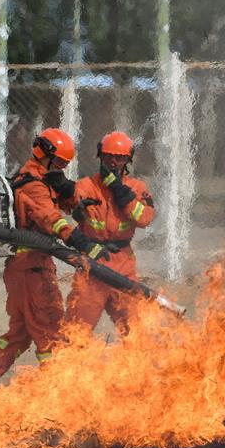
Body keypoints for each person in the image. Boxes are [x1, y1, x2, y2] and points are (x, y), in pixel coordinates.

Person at [0, 128, 110, 385]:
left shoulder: (37, 179)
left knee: (20, 333)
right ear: (44, 155)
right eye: (58, 162)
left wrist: (73, 201)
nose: (61, 168)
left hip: (22, 269)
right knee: (50, 331)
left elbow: (55, 206)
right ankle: (57, 390)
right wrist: (83, 243)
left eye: (64, 164)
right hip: (33, 269)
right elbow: (51, 220)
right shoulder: (34, 185)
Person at [65, 131, 155, 335]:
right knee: (76, 330)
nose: (113, 162)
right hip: (92, 261)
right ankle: (72, 367)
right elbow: (64, 211)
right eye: (108, 156)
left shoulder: (137, 188)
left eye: (119, 157)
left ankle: (136, 367)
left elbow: (144, 219)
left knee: (134, 331)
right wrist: (78, 213)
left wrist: (120, 192)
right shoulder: (85, 186)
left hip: (122, 263)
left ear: (128, 159)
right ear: (100, 156)